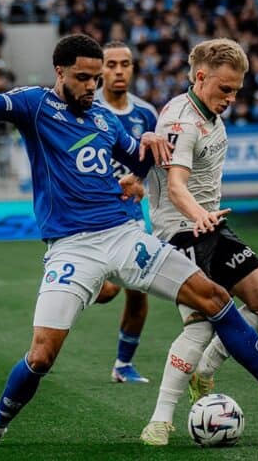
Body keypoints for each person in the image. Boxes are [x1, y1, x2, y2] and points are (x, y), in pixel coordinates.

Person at [0, 35, 258, 450]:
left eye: (95, 79)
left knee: (215, 298)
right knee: (40, 356)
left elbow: (137, 164)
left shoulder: (103, 119)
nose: (92, 87)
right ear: (60, 72)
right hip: (71, 247)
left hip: (124, 235)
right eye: (83, 78)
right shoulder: (34, 105)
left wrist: (145, 146)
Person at [136, 38, 258, 446]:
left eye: (237, 91)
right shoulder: (180, 121)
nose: (231, 98)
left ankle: (206, 368)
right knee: (199, 325)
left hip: (211, 226)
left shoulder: (208, 113)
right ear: (201, 76)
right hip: (183, 231)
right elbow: (175, 187)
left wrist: (207, 217)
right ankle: (161, 419)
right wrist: (199, 215)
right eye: (225, 89)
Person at [93, 41, 158, 384]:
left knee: (138, 289)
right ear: (100, 69)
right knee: (105, 292)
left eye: (126, 64)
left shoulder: (146, 115)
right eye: (111, 64)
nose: (119, 71)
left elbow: (156, 163)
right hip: (92, 218)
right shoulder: (88, 109)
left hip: (132, 218)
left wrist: (143, 183)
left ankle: (122, 365)